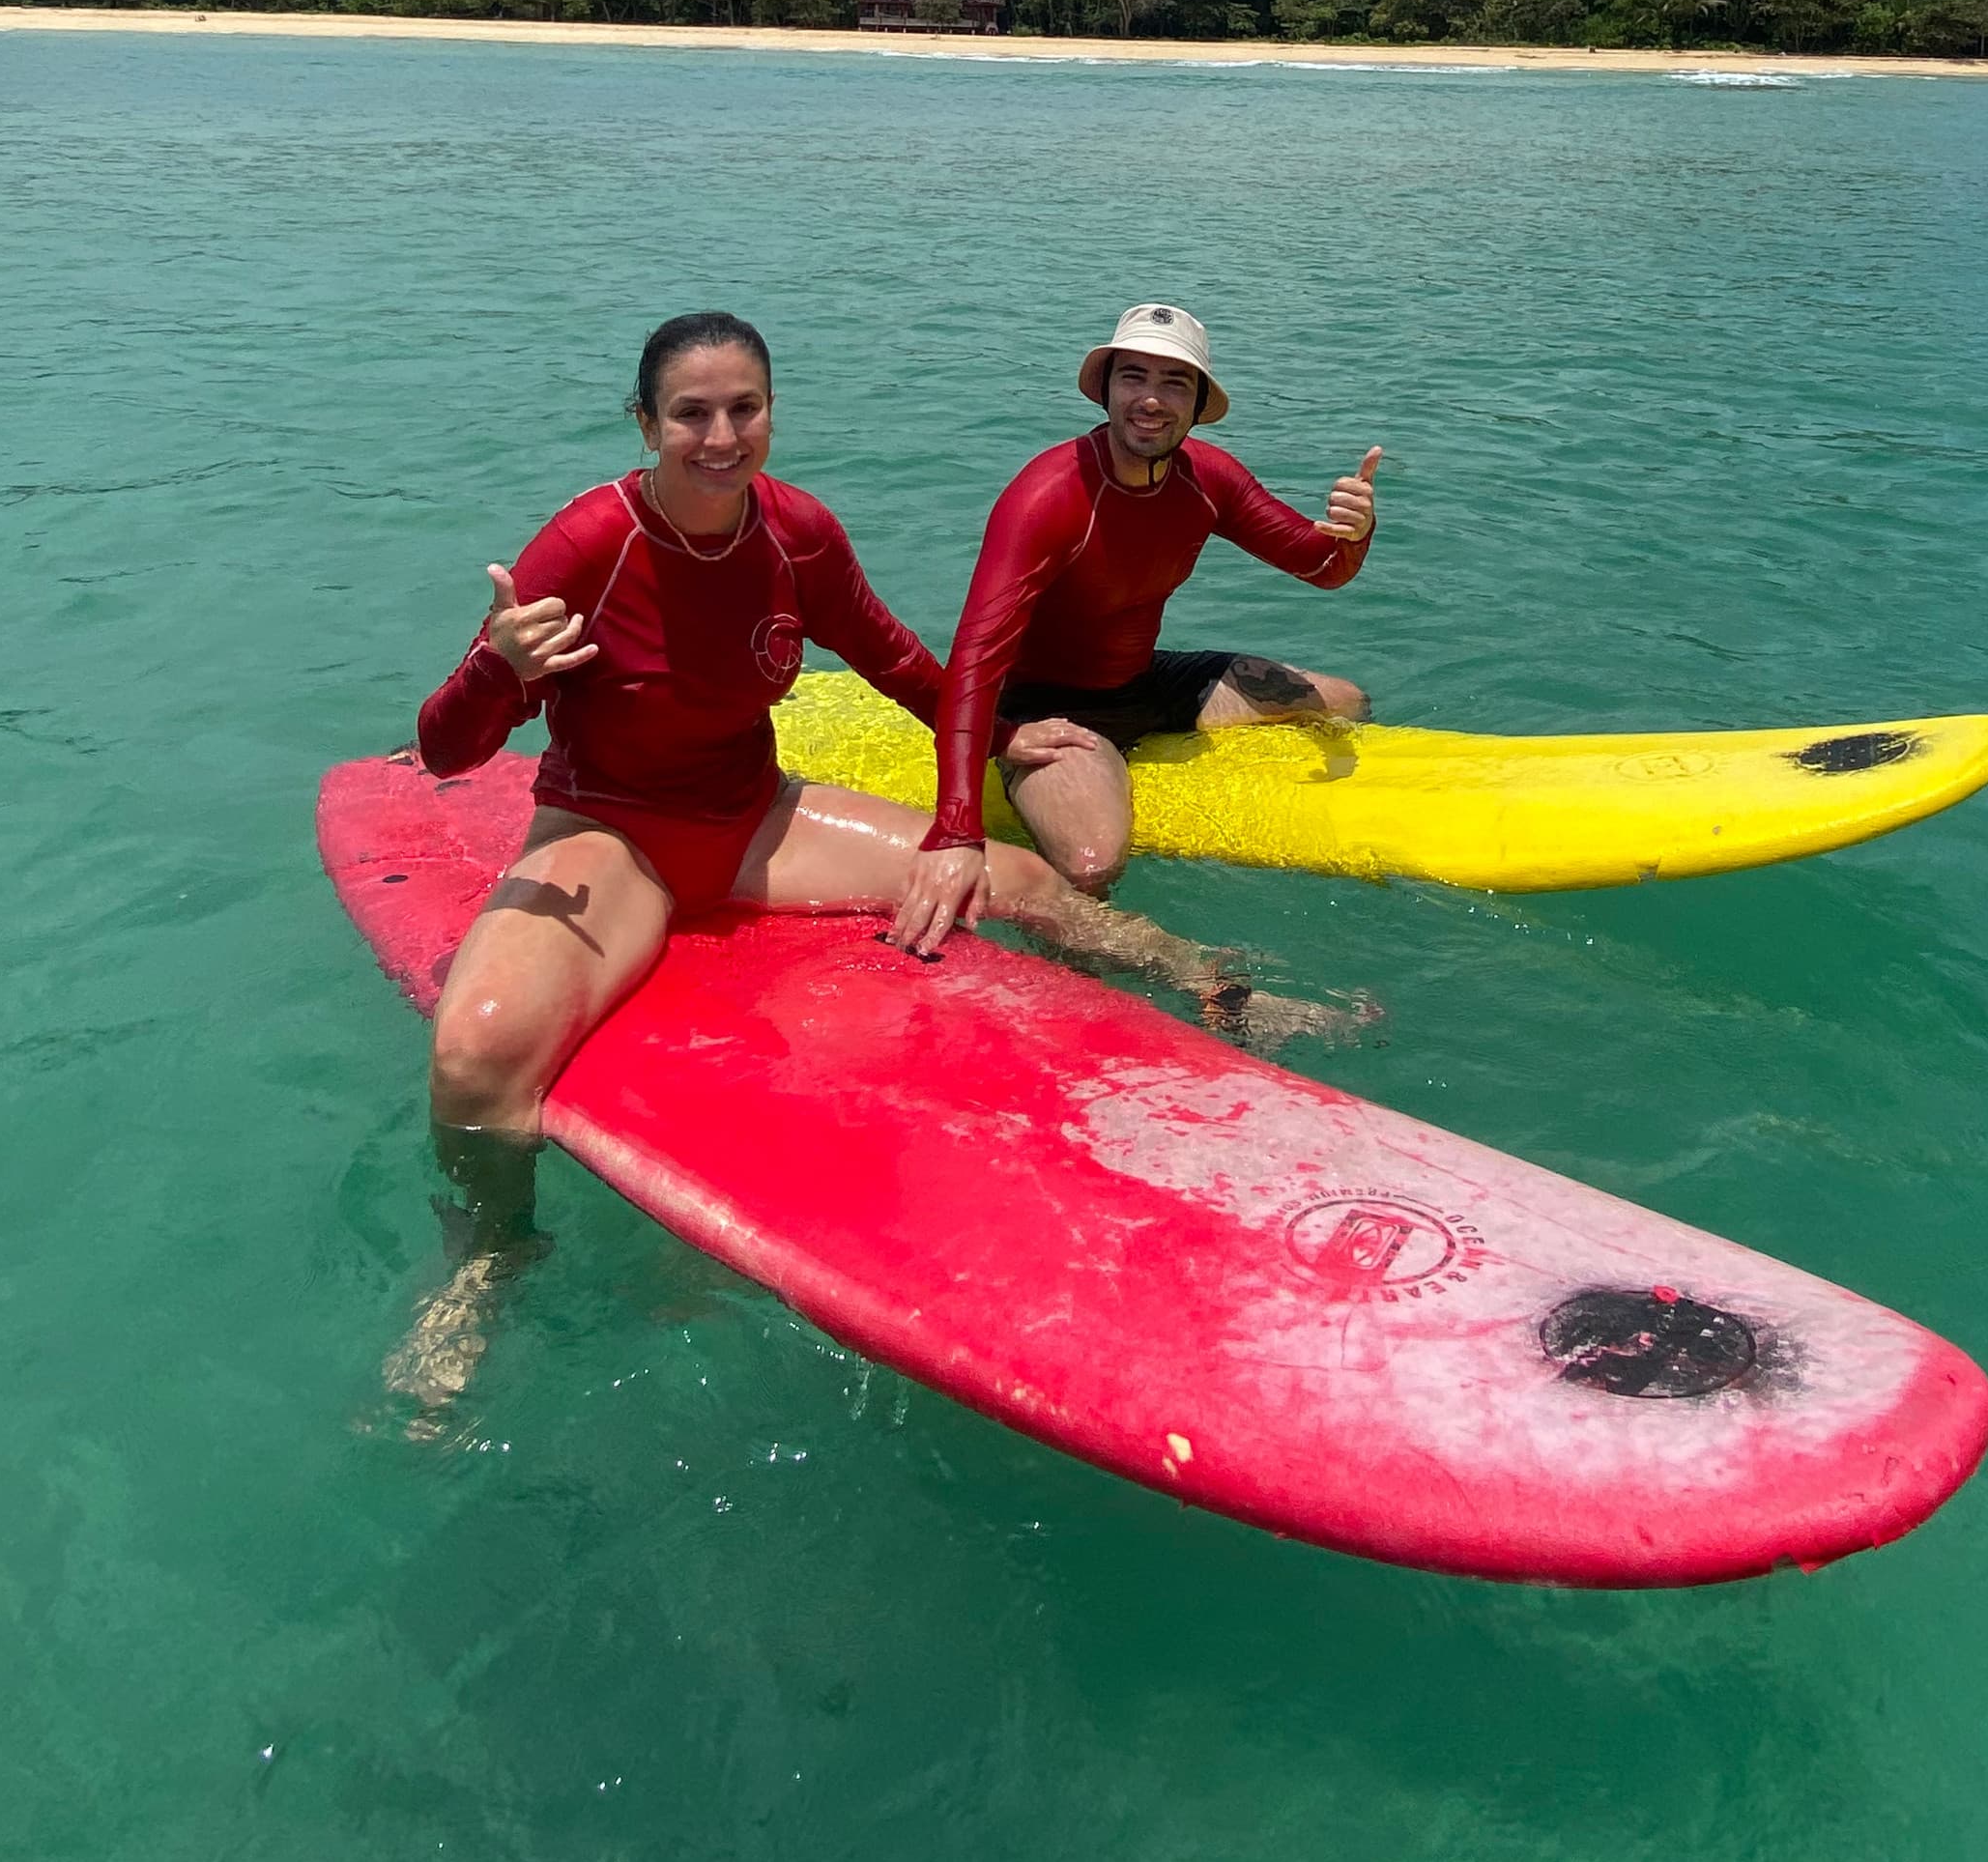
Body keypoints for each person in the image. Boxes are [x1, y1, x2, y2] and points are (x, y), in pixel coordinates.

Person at [388, 308, 1342, 1428]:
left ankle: (1217, 988)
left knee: (1018, 880)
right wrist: (500, 673)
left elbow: (891, 655)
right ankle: (490, 1261)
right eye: (690, 413)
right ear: (646, 423)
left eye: (745, 408)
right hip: (612, 835)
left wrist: (990, 744)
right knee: (476, 1052)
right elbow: (446, 749)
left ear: (771, 416)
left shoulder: (796, 533)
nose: (721, 435)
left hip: (753, 820)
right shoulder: (588, 543)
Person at [903, 303, 1379, 939]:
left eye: (1174, 382)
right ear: (1106, 389)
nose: (1151, 399)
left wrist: (1354, 533)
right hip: (1050, 709)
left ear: (1198, 402)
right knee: (1092, 864)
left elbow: (1321, 566)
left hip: (1144, 681)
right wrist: (960, 821)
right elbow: (972, 663)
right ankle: (1071, 979)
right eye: (1134, 377)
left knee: (1346, 701)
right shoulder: (1049, 495)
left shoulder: (1210, 479)